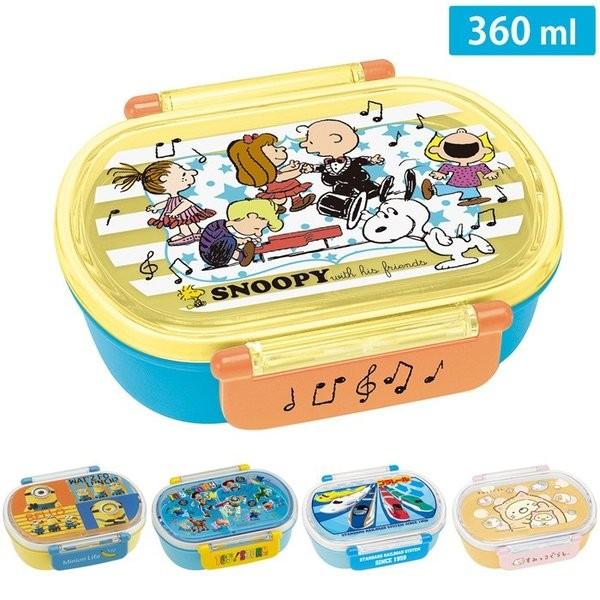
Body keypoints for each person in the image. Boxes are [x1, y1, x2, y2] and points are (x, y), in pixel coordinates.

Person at [109, 161, 216, 245]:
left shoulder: (177, 199)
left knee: (187, 220)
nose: (191, 173)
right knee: (183, 222)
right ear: (164, 179)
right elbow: (166, 203)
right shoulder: (172, 199)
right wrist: (155, 207)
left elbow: (187, 204)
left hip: (181, 212)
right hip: (176, 213)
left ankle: (196, 231)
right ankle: (186, 233)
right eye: (183, 174)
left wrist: (175, 212)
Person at [300, 119, 393, 201]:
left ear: (335, 139)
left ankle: (379, 191)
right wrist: (311, 168)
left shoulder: (353, 162)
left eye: (311, 142)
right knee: (340, 195)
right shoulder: (327, 165)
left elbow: (361, 160)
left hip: (358, 181)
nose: (302, 145)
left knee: (365, 186)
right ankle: (348, 206)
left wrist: (372, 160)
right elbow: (320, 168)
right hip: (342, 187)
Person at [227, 133, 315, 213]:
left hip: (287, 185)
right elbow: (282, 177)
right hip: (279, 188)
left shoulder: (272, 172)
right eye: (275, 150)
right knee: (280, 199)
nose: (283, 148)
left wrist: (291, 166)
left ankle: (297, 202)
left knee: (291, 194)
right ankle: (274, 206)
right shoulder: (270, 175)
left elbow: (282, 171)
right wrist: (300, 170)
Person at [421, 128, 499, 206]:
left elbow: (482, 167)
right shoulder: (458, 168)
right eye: (452, 149)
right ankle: (432, 190)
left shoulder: (474, 167)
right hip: (457, 182)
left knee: (467, 189)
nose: (462, 153)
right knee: (451, 188)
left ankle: (472, 198)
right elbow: (446, 167)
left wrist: (489, 173)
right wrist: (440, 173)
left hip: (470, 183)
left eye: (471, 148)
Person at [199, 198, 283, 268]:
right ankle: (242, 258)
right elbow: (222, 241)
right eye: (256, 228)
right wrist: (242, 241)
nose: (259, 234)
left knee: (230, 241)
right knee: (229, 241)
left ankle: (245, 253)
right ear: (251, 216)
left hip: (218, 252)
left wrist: (244, 240)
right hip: (210, 256)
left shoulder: (226, 227)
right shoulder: (217, 228)